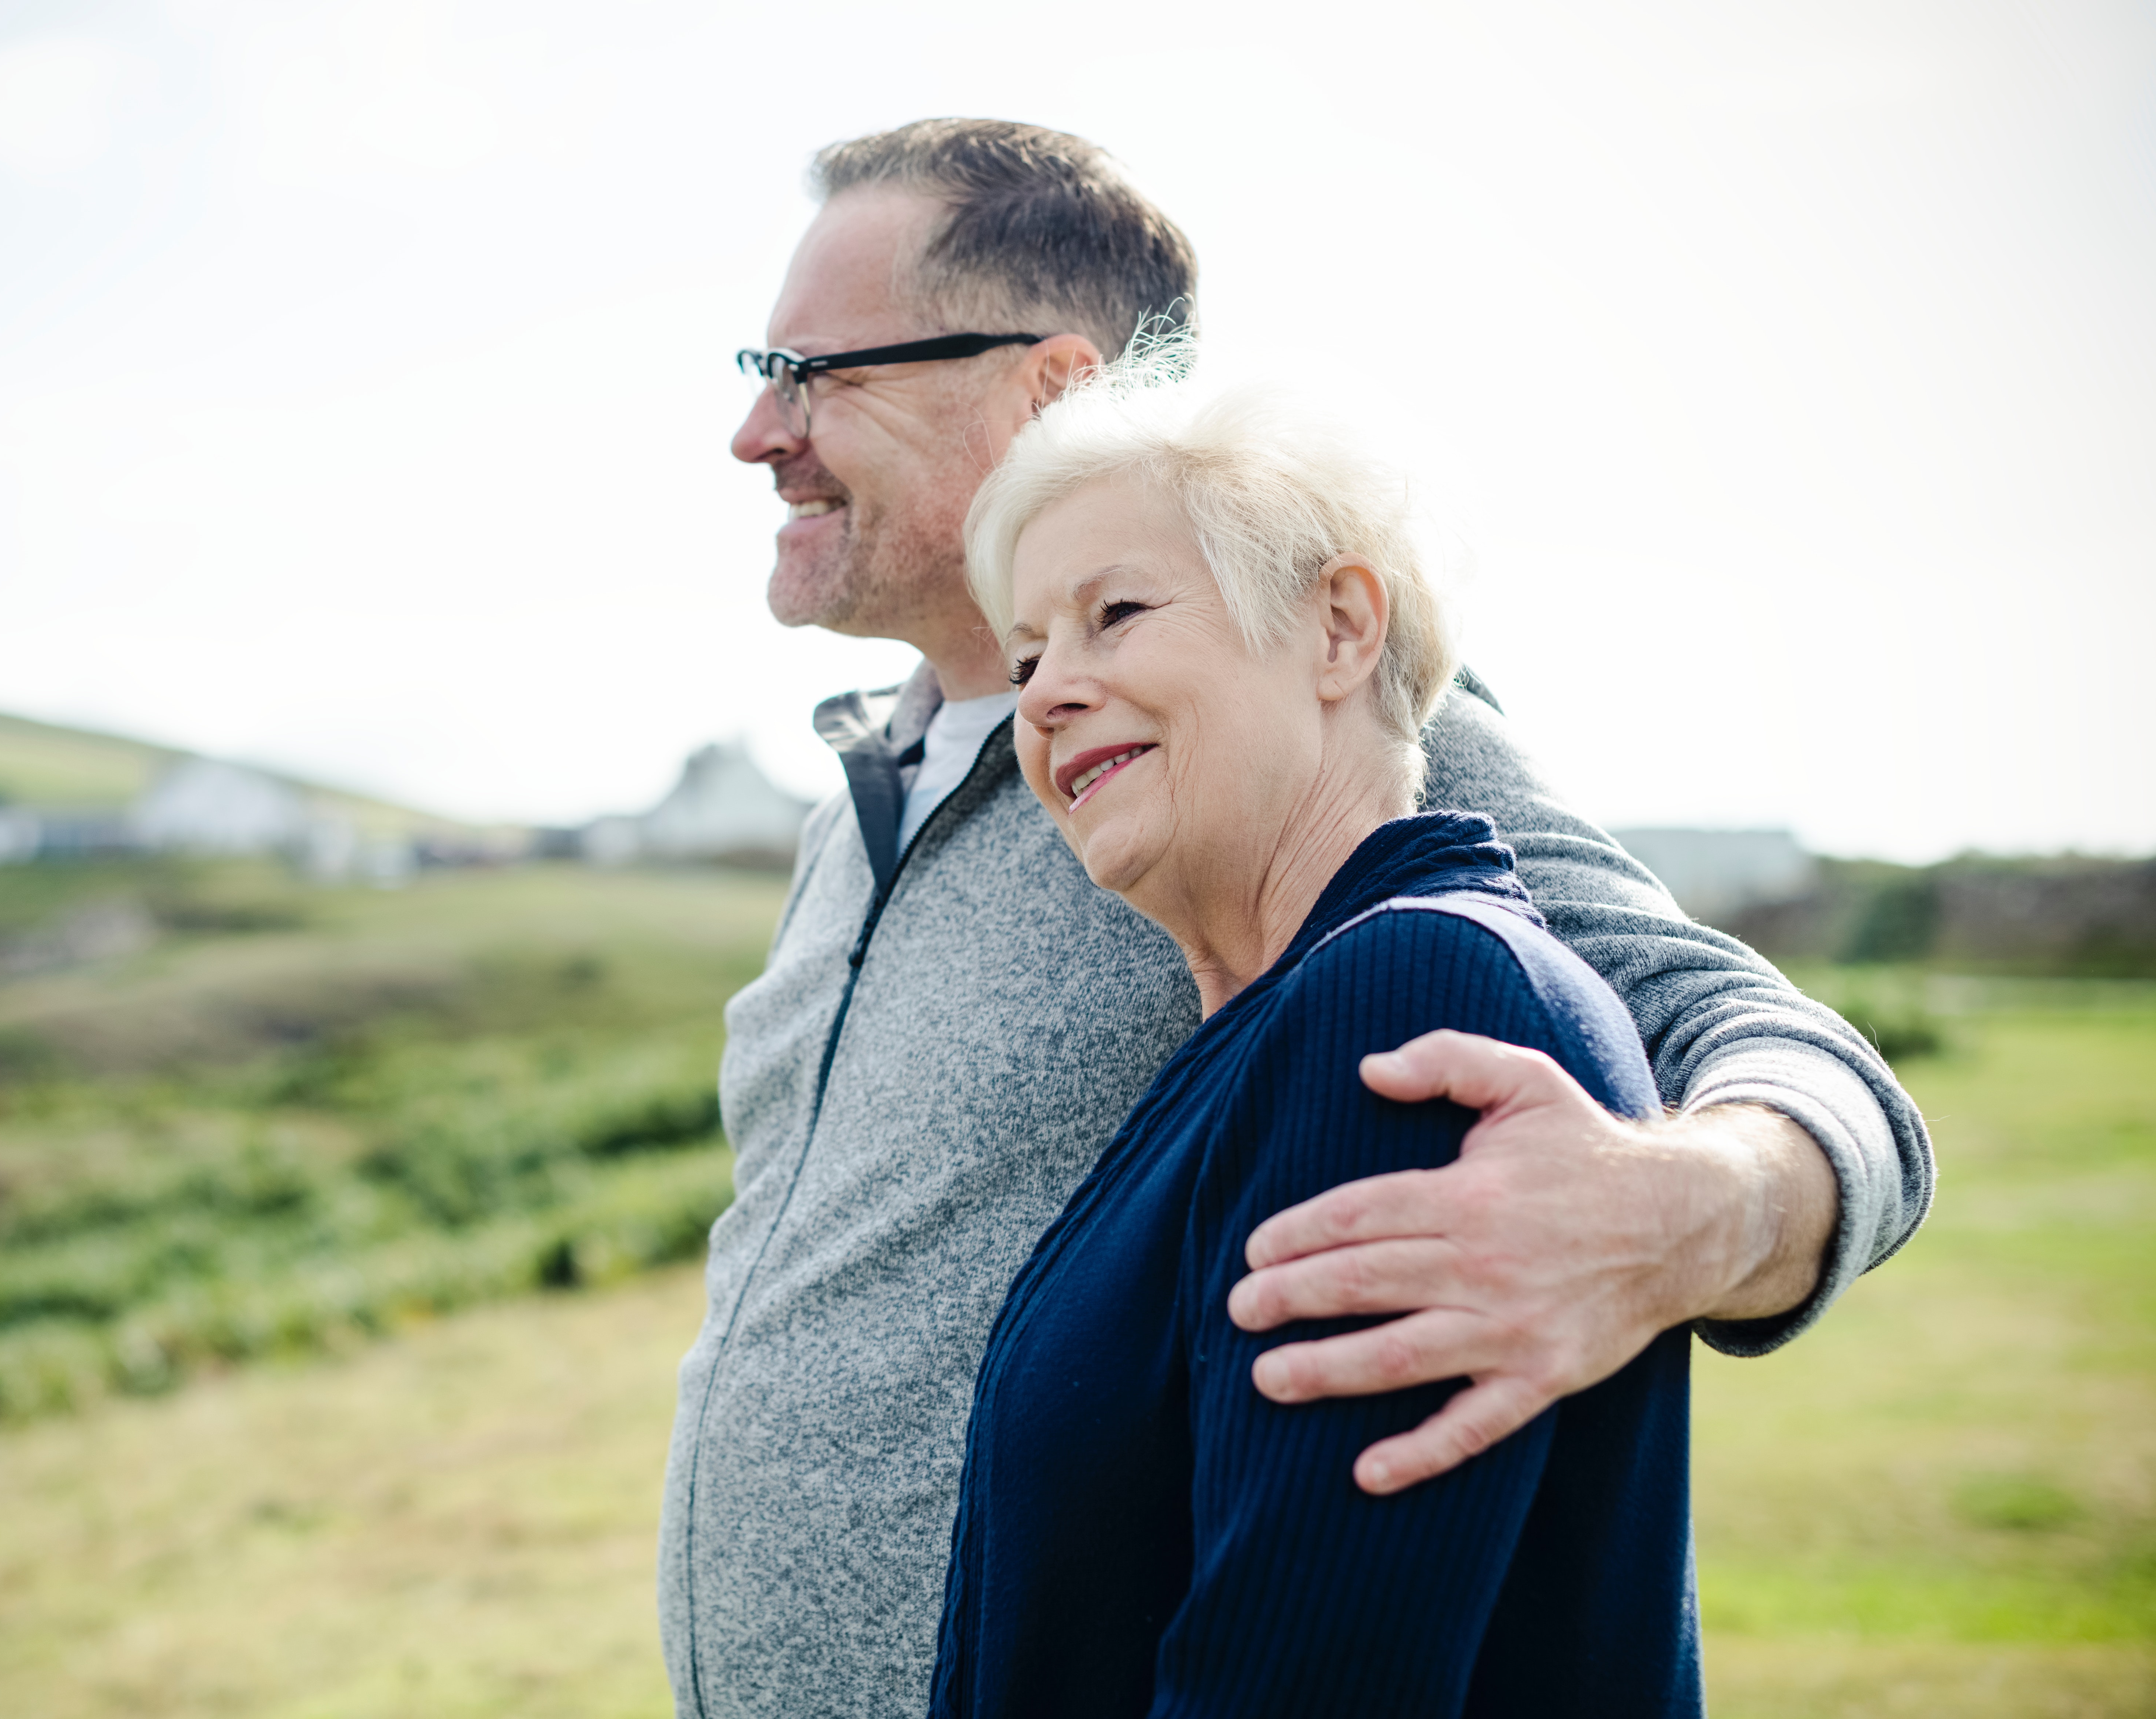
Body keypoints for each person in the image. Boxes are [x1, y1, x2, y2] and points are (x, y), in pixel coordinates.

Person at [658, 118, 1929, 1719]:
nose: (755, 432)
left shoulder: (1295, 727)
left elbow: (1768, 1045)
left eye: (810, 369)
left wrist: (1694, 1211)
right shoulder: (862, 794)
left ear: (1051, 387)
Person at [930, 367, 1697, 1717]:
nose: (1047, 695)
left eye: (1116, 614)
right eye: (1030, 654)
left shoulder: (1408, 995)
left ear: (1340, 629)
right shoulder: (1264, 1034)